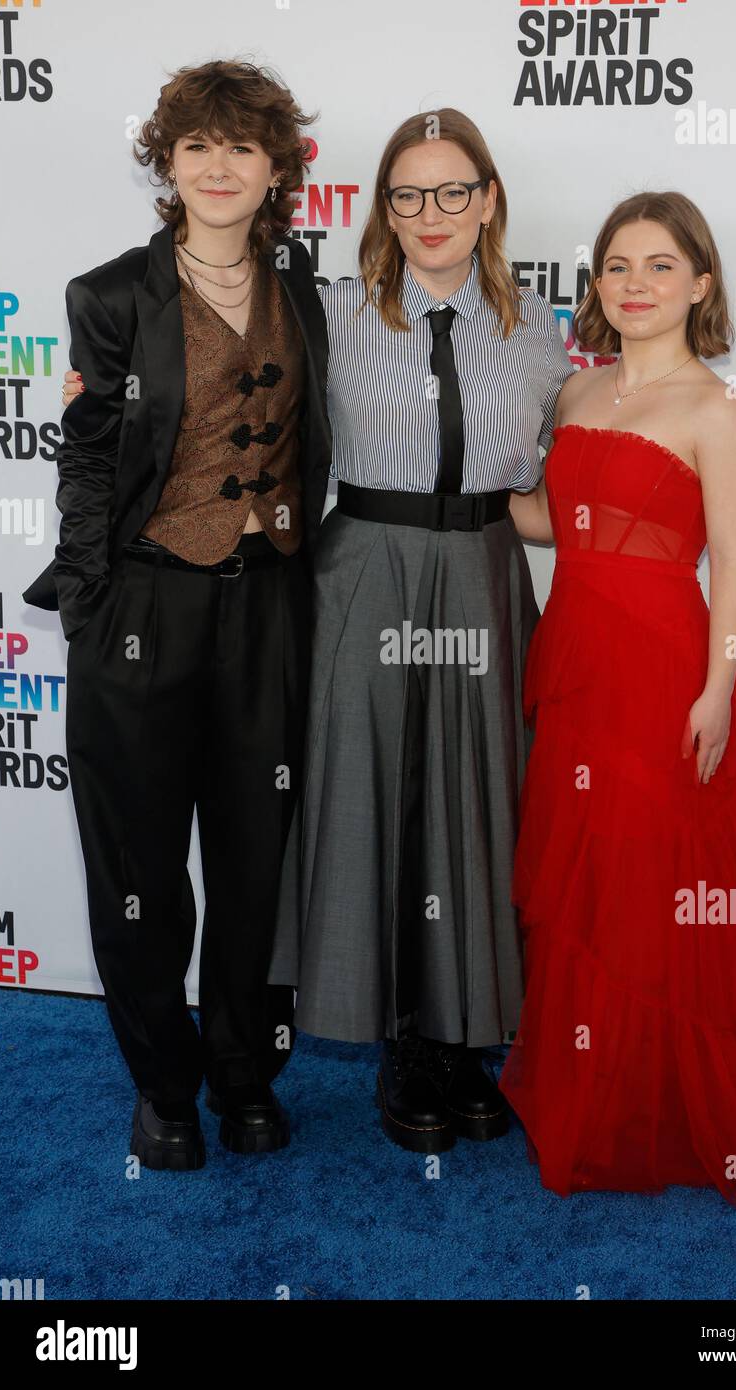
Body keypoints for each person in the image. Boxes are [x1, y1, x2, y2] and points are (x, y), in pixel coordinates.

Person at [500, 191, 736, 1206]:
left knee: (657, 877)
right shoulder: (577, 396)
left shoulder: (721, 411)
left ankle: (670, 1106)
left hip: (664, 669)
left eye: (660, 265)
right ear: (597, 284)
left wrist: (718, 689)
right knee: (586, 880)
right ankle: (599, 1089)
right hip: (574, 661)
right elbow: (553, 523)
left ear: (701, 283)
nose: (636, 285)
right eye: (618, 266)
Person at [27, 60, 331, 1170]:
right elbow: (89, 463)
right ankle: (164, 1086)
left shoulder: (306, 291)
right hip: (143, 605)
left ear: (277, 168)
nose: (218, 166)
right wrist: (91, 602)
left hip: (271, 605)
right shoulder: (110, 295)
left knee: (258, 861)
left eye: (241, 146)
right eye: (197, 145)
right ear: (168, 161)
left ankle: (246, 1073)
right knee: (141, 868)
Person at [267, 109, 575, 1154]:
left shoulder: (538, 329)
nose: (430, 213)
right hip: (365, 570)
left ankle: (461, 1035)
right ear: (384, 209)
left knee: (477, 802)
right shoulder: (329, 312)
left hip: (484, 574)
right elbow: (226, 387)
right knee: (371, 797)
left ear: (488, 201)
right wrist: (107, 392)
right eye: (408, 194)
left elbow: (579, 462)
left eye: (452, 191)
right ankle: (401, 1037)